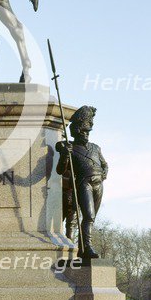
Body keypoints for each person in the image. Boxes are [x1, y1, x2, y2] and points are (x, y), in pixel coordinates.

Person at [56, 106, 108, 259]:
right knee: (89, 216)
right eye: (83, 132)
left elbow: (105, 164)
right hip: (84, 183)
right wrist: (65, 155)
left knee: (92, 218)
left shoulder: (95, 148)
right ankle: (87, 247)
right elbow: (60, 170)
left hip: (99, 183)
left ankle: (83, 249)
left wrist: (105, 172)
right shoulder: (71, 148)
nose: (86, 135)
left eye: (87, 132)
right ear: (77, 132)